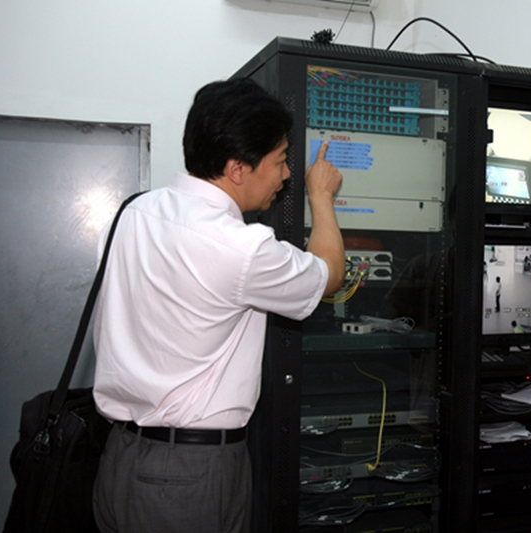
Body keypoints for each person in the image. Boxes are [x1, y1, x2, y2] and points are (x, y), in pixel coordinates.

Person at [91, 78, 344, 533]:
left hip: (118, 458)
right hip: (187, 475)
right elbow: (329, 275)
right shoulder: (239, 248)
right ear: (237, 169)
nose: (287, 175)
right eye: (280, 160)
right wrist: (321, 197)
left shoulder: (134, 213)